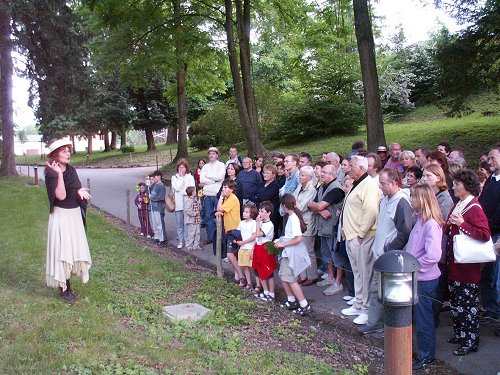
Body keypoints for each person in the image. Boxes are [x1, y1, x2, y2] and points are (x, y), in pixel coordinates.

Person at [358, 168, 412, 335]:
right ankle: (377, 321)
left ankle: (378, 323)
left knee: (382, 290)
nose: (380, 187)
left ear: (395, 183)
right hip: (379, 253)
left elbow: (404, 232)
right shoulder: (386, 199)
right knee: (377, 289)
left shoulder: (401, 203)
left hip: (388, 257)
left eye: (383, 183)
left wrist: (388, 250)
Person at [446, 169, 491, 356]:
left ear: (467, 186)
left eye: (457, 184)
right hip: (455, 264)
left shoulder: (474, 208)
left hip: (467, 267)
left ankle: (470, 340)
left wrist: (462, 224)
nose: (454, 187)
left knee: (467, 305)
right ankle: (460, 333)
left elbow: (484, 234)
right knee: (457, 303)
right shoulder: (460, 204)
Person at [44, 139, 92, 303]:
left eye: (68, 150)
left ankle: (67, 284)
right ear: (55, 154)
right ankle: (64, 289)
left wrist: (80, 191)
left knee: (72, 250)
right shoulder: (50, 172)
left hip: (74, 215)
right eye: (63, 150)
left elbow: (75, 187)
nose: (67, 153)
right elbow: (61, 196)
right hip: (61, 216)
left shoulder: (71, 170)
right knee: (63, 252)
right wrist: (58, 174)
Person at [406, 185, 444, 370]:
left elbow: (433, 255)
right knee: (417, 317)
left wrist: (412, 265)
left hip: (425, 279)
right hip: (415, 276)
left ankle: (426, 355)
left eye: (413, 197)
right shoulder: (420, 219)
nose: (411, 199)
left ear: (422, 200)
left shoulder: (430, 224)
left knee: (423, 319)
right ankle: (418, 350)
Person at [341, 155, 379, 325]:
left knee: (365, 273)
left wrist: (361, 234)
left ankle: (366, 308)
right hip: (351, 235)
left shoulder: (369, 184)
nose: (349, 169)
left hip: (362, 237)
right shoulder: (358, 183)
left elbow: (370, 211)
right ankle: (358, 302)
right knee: (357, 272)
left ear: (362, 168)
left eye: (352, 166)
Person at [308, 164, 345, 294]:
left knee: (336, 256)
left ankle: (338, 283)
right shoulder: (322, 186)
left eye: (325, 172)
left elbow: (318, 206)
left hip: (332, 228)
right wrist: (319, 210)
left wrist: (318, 208)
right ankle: (330, 277)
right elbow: (310, 205)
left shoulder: (336, 189)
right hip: (323, 228)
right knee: (326, 254)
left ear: (333, 175)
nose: (321, 174)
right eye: (322, 171)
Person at [276, 194, 312, 316]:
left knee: (290, 279)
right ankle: (291, 300)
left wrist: (283, 244)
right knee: (283, 276)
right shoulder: (291, 217)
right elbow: (290, 236)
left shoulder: (294, 219)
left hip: (291, 252)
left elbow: (298, 239)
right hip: (287, 252)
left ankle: (304, 304)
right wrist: (280, 240)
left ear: (284, 206)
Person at [478, 146, 500, 326]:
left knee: (493, 274)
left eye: (493, 158)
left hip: (495, 232)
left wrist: (488, 227)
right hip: (487, 230)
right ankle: (490, 308)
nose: (490, 162)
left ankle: (495, 308)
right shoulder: (492, 178)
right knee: (486, 273)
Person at [293, 166, 318, 286]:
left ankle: (312, 275)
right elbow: (293, 200)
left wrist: (293, 204)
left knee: (308, 250)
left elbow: (301, 206)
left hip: (307, 223)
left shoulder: (311, 190)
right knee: (300, 250)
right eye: (300, 174)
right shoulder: (299, 187)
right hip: (298, 221)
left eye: (302, 175)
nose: (300, 177)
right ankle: (303, 275)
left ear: (309, 177)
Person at [216, 179, 243, 284]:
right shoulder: (228, 199)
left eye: (226, 187)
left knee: (230, 255)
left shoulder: (232, 199)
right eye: (223, 187)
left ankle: (241, 277)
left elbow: (219, 209)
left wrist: (221, 197)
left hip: (234, 230)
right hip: (229, 229)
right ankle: (237, 277)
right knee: (234, 255)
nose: (223, 189)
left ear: (232, 189)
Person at [200, 147, 226, 245]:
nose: (212, 155)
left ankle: (220, 237)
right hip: (207, 195)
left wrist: (209, 178)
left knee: (219, 216)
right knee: (208, 217)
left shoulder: (221, 165)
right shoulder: (205, 166)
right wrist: (214, 180)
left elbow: (220, 177)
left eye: (214, 153)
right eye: (210, 154)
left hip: (218, 195)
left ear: (217, 155)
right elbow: (202, 179)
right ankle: (211, 237)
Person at [252, 201, 277, 302]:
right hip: (258, 247)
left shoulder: (269, 225)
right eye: (260, 211)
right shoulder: (262, 223)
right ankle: (265, 291)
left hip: (265, 249)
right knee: (258, 270)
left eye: (262, 211)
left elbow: (258, 234)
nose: (260, 213)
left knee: (268, 272)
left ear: (269, 213)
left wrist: (257, 223)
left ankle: (271, 293)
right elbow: (255, 236)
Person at [171, 158, 195, 249]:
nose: (181, 169)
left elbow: (191, 189)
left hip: (188, 204)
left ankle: (187, 240)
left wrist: (183, 192)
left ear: (186, 168)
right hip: (178, 204)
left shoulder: (190, 177)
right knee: (179, 224)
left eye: (183, 167)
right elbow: (176, 188)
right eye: (180, 168)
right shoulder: (175, 177)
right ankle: (181, 240)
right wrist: (181, 178)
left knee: (187, 223)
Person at [234, 204, 258, 290]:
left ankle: (258, 284)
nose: (244, 213)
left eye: (247, 212)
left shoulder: (254, 223)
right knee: (245, 266)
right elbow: (238, 233)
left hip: (250, 247)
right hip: (242, 247)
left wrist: (243, 242)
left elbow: (254, 236)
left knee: (253, 267)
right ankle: (249, 283)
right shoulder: (241, 223)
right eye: (244, 211)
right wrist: (236, 240)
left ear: (252, 213)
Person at [255, 164, 280, 238]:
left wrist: (259, 197)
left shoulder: (275, 185)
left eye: (267, 173)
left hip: (271, 213)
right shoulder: (262, 184)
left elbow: (264, 197)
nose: (264, 175)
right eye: (264, 173)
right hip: (261, 211)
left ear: (273, 175)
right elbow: (256, 195)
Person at [149, 170, 167, 245]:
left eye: (155, 176)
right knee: (155, 223)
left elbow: (161, 197)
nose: (154, 178)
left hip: (158, 207)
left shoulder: (161, 186)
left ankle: (162, 238)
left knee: (159, 223)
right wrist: (150, 183)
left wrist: (152, 198)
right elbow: (150, 190)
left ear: (159, 176)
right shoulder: (155, 185)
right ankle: (157, 236)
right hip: (153, 206)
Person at [184, 186, 202, 251]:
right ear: (192, 192)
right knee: (191, 233)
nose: (196, 192)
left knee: (197, 233)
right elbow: (187, 210)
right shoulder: (188, 201)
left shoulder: (195, 200)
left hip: (197, 219)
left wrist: (199, 204)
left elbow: (199, 209)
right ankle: (189, 245)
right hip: (191, 220)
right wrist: (195, 213)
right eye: (194, 191)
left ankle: (196, 245)